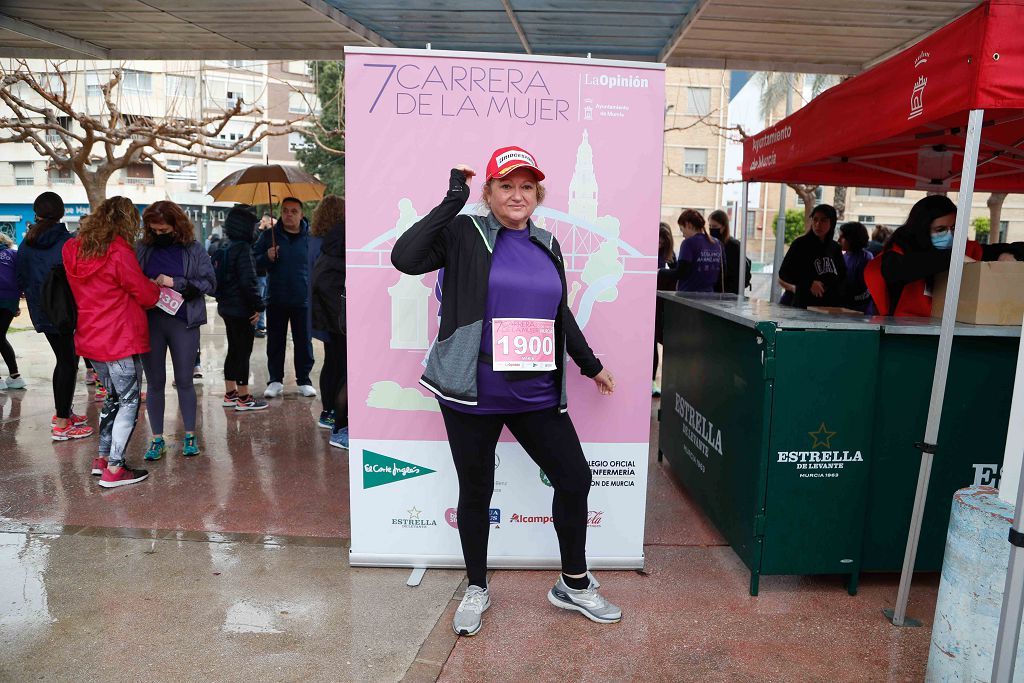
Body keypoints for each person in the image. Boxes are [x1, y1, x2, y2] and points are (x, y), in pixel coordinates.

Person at [391, 147, 621, 638]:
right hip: (471, 389)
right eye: (506, 186)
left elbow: (559, 315)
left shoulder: (548, 244)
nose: (517, 195)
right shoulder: (463, 233)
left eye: (527, 187)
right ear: (488, 192)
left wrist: (591, 365)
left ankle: (573, 584)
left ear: (538, 194)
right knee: (476, 490)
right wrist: (453, 199)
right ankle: (477, 585)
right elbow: (405, 258)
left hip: (535, 390)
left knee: (574, 478)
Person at [63, 197, 160, 487]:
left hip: (91, 336)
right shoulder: (119, 251)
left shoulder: (72, 249)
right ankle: (116, 469)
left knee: (112, 398)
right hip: (120, 337)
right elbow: (145, 295)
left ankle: (103, 458)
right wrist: (155, 288)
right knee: (128, 401)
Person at [136, 200, 217, 461]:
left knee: (184, 380)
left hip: (184, 321)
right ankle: (157, 438)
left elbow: (210, 283)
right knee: (155, 382)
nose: (159, 235)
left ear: (176, 225)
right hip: (151, 322)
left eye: (164, 230)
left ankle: (190, 435)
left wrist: (176, 282)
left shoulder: (193, 249)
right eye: (154, 231)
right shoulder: (142, 249)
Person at [865, 195, 1024, 316]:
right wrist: (950, 259)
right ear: (922, 229)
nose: (949, 235)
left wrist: (1010, 253)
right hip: (907, 336)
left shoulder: (965, 249)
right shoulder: (899, 254)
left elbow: (1015, 248)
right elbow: (896, 271)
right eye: (940, 230)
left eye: (953, 228)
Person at [15, 192, 92, 440]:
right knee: (68, 361)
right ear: (60, 213)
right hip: (67, 311)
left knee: (64, 359)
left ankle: (64, 413)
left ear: (35, 213)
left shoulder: (27, 243)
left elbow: (21, 277)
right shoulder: (68, 242)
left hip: (42, 311)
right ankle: (61, 422)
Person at [253, 198, 316, 398]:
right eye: (285, 211)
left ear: (301, 214)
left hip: (303, 299)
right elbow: (253, 261)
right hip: (276, 297)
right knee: (275, 342)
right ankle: (275, 380)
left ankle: (304, 380)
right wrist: (267, 257)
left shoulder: (311, 238)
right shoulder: (269, 236)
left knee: (304, 342)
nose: (289, 215)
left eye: (294, 211)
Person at [212, 206, 268, 411]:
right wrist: (258, 306)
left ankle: (230, 393)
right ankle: (244, 397)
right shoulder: (243, 249)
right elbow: (248, 281)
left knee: (233, 350)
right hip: (242, 309)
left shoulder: (225, 246)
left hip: (226, 307)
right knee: (243, 352)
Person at [310, 195, 348, 448]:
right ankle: (338, 422)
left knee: (332, 362)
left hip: (325, 312)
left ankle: (329, 412)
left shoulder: (322, 242)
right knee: (341, 366)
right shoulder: (339, 242)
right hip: (336, 315)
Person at [778, 204, 846, 308]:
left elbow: (842, 275)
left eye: (823, 220)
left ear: (831, 223)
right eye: (815, 219)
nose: (818, 224)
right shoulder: (800, 244)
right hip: (804, 306)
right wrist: (809, 283)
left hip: (830, 307)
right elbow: (784, 272)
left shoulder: (835, 248)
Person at [661, 209, 723, 293]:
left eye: (682, 229)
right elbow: (722, 274)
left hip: (689, 295)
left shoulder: (688, 243)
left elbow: (680, 273)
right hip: (710, 295)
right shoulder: (717, 243)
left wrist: (660, 271)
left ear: (688, 225)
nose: (683, 235)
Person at [652, 222, 676, 398]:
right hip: (650, 306)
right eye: (657, 242)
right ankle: (652, 380)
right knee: (651, 346)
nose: (660, 245)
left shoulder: (672, 257)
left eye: (663, 242)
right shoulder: (648, 253)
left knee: (668, 344)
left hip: (665, 306)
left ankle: (670, 382)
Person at [0, 231, 25, 391]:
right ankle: (15, 376)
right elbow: (21, 276)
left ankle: (15, 376)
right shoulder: (14, 254)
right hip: (10, 300)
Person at [708, 209, 751, 294]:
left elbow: (736, 273)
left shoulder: (733, 245)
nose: (712, 229)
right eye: (710, 226)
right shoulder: (711, 243)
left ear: (724, 227)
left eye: (715, 226)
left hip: (729, 293)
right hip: (714, 291)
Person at [837, 221, 874, 312]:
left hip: (860, 311)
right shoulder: (844, 256)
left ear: (852, 239)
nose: (838, 240)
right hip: (846, 308)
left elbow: (868, 289)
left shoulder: (866, 258)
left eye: (843, 237)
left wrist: (850, 300)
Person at [253, 214, 273, 338]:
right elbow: (255, 253)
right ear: (264, 221)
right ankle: (257, 326)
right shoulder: (256, 234)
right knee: (259, 299)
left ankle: (261, 324)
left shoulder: (268, 234)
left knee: (263, 299)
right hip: (258, 273)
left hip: (264, 273)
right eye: (270, 223)